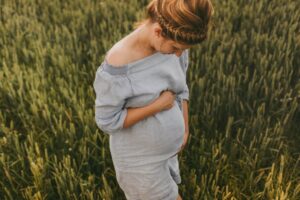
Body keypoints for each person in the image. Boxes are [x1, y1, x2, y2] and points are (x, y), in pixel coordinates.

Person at [93, 0, 214, 199]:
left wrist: (185, 127)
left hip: (168, 155)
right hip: (140, 165)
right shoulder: (119, 66)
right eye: (176, 47)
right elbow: (108, 121)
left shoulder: (175, 42)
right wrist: (157, 106)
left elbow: (181, 87)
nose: (179, 54)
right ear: (158, 32)